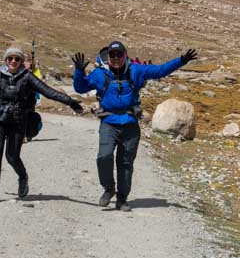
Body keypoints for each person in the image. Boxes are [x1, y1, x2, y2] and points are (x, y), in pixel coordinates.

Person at [0, 37, 83, 204]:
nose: (13, 61)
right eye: (10, 58)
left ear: (21, 61)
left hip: (18, 119)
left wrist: (70, 102)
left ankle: (23, 177)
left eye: (17, 58)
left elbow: (48, 91)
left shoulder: (28, 77)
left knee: (12, 156)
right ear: (6, 60)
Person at [71, 40, 198, 211]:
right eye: (112, 55)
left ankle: (122, 199)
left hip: (130, 124)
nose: (116, 58)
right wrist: (79, 71)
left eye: (119, 55)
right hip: (109, 122)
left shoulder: (136, 71)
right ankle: (109, 189)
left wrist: (181, 60)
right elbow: (79, 88)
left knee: (125, 163)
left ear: (125, 56)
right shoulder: (99, 74)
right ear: (108, 57)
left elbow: (159, 71)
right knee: (104, 156)